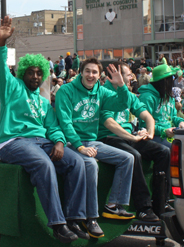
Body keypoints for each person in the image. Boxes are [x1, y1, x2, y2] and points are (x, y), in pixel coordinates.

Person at [0, 16, 89, 243]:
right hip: (13, 142)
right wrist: (1, 44)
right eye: (31, 72)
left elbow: (53, 127)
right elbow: (0, 69)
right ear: (23, 73)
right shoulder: (12, 87)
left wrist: (58, 142)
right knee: (44, 163)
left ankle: (75, 218)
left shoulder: (45, 103)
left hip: (41, 142)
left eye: (39, 73)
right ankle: (57, 224)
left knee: (77, 162)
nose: (35, 76)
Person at [55, 57, 135, 238]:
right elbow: (65, 124)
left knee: (128, 158)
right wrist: (79, 147)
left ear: (100, 76)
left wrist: (122, 86)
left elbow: (123, 104)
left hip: (92, 142)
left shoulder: (102, 92)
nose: (91, 75)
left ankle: (113, 205)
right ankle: (90, 217)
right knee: (90, 164)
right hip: (70, 142)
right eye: (87, 71)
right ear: (81, 72)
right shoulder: (65, 91)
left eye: (95, 72)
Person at [97, 62, 171, 220]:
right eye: (128, 74)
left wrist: (150, 133)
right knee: (134, 155)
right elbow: (109, 123)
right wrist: (132, 137)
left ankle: (160, 202)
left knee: (163, 152)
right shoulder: (103, 93)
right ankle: (143, 208)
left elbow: (146, 116)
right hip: (108, 137)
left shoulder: (129, 94)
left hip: (129, 137)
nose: (132, 77)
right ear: (113, 77)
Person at [138, 64, 184, 148]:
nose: (173, 81)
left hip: (170, 135)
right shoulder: (147, 97)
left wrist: (180, 122)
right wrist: (163, 131)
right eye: (171, 79)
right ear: (164, 81)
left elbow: (173, 117)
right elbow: (144, 124)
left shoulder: (168, 96)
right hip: (153, 136)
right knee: (176, 149)